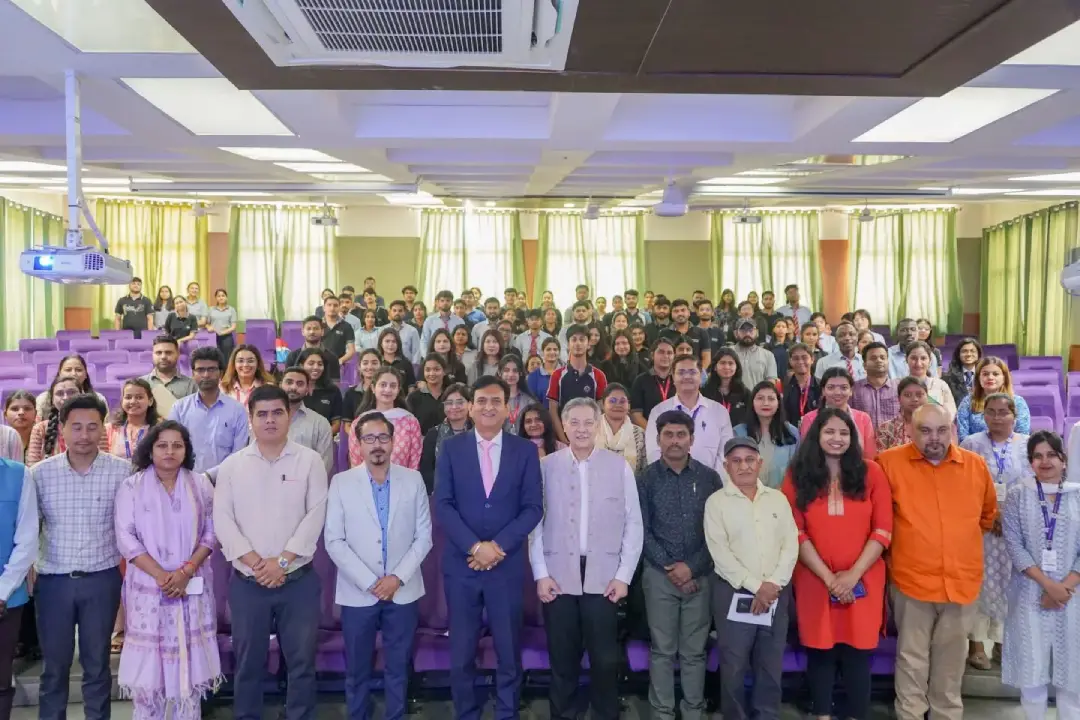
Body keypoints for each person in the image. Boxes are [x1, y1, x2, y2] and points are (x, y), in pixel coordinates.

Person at [213, 386, 328, 720]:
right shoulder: (232, 466)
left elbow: (316, 515)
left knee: (302, 662)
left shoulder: (309, 461)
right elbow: (223, 520)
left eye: (277, 412)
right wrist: (256, 563)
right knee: (248, 663)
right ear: (250, 419)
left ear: (289, 416)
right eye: (261, 414)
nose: (270, 420)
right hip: (248, 583)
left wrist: (282, 562)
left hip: (298, 582)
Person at [877, 403, 998, 720]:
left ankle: (946, 715)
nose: (934, 438)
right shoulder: (888, 464)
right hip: (910, 580)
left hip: (961, 581)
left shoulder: (975, 466)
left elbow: (987, 516)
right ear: (910, 430)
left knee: (952, 659)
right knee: (911, 657)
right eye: (925, 430)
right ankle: (911, 715)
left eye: (942, 430)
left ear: (953, 430)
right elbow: (877, 519)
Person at [434, 376, 544, 720]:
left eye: (496, 401)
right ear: (470, 407)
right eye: (481, 400)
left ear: (508, 409)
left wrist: (496, 547)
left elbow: (533, 508)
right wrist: (474, 546)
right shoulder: (451, 449)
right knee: (462, 651)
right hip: (461, 566)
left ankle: (507, 712)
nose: (488, 407)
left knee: (508, 650)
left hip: (505, 566)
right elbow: (443, 505)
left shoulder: (524, 451)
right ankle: (466, 712)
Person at [530, 398, 642, 720]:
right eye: (574, 422)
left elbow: (633, 523)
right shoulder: (546, 466)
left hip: (604, 576)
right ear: (564, 426)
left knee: (605, 660)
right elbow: (534, 525)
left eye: (588, 422)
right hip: (557, 574)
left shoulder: (618, 466)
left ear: (598, 425)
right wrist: (541, 573)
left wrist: (623, 575)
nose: (581, 429)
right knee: (562, 659)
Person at [781, 410, 893, 720]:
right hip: (814, 579)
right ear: (816, 435)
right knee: (821, 650)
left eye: (843, 433)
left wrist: (852, 575)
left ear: (852, 437)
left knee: (859, 652)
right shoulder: (797, 475)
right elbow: (794, 531)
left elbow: (883, 530)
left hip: (864, 578)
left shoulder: (872, 472)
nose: (837, 438)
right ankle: (822, 714)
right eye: (829, 432)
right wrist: (830, 579)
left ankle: (857, 714)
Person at [324, 412, 432, 720]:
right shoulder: (342, 483)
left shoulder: (413, 480)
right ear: (358, 444)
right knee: (357, 671)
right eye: (369, 438)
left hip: (403, 591)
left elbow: (424, 536)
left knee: (398, 669)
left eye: (383, 437)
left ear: (393, 441)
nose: (377, 445)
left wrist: (396, 578)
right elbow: (334, 541)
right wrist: (371, 582)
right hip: (358, 592)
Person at [114, 420, 221, 719]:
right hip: (149, 589)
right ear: (150, 451)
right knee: (150, 675)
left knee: (189, 668)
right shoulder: (132, 487)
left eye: (177, 445)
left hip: (192, 586)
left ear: (186, 450)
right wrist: (162, 575)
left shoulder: (200, 484)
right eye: (162, 445)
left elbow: (211, 531)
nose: (170, 451)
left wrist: (186, 571)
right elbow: (126, 538)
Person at [31, 394, 130, 720]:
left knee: (97, 665)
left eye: (92, 427)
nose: (84, 435)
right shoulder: (40, 474)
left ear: (103, 428)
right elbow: (29, 528)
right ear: (62, 428)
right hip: (53, 583)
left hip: (102, 581)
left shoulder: (123, 473)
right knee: (54, 667)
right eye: (76, 427)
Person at [704, 436, 799, 720]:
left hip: (776, 594)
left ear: (760, 463)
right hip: (733, 593)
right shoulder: (716, 503)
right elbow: (720, 554)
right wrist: (758, 587)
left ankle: (767, 715)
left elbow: (791, 545)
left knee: (770, 665)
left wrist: (773, 585)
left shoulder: (778, 499)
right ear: (726, 467)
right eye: (736, 461)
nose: (743, 466)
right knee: (733, 666)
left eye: (749, 460)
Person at [638, 410, 723, 720]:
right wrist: (671, 568)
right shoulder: (644, 479)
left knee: (694, 653)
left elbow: (717, 532)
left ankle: (693, 711)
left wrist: (692, 568)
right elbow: (640, 529)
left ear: (692, 439)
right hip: (659, 576)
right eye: (668, 435)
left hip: (701, 577)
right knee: (662, 650)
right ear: (658, 439)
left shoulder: (709, 478)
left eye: (681, 435)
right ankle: (662, 712)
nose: (675, 441)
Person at [1002, 431, 1080, 720]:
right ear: (1030, 461)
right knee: (1031, 672)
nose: (1045, 461)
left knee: (1073, 674)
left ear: (1064, 459)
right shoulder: (1017, 495)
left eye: (1051, 455)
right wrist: (1049, 585)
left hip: (1073, 596)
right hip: (1029, 593)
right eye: (1037, 456)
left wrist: (1064, 587)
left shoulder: (1078, 494)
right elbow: (1014, 545)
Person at [960, 392, 1029, 671]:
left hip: (1015, 528)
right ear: (983, 415)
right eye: (991, 412)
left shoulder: (1027, 445)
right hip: (980, 527)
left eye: (1004, 412)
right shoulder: (971, 444)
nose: (997, 418)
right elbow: (962, 486)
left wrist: (1007, 517)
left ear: (1014, 416)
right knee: (980, 582)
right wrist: (990, 515)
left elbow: (1031, 486)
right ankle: (976, 645)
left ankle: (1002, 643)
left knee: (1009, 583)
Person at [167, 347, 249, 481]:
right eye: (200, 370)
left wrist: (209, 476)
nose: (206, 375)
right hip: (185, 481)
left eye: (211, 369)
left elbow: (239, 454)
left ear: (221, 373)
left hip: (226, 481)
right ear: (193, 373)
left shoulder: (237, 410)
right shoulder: (179, 408)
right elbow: (171, 448)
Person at [645, 353, 734, 473]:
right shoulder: (659, 411)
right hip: (668, 481)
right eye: (681, 372)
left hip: (711, 482)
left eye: (692, 372)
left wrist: (713, 481)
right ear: (673, 377)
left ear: (701, 376)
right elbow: (653, 453)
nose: (687, 376)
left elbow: (726, 454)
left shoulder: (719, 412)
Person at [0, 431, 37, 720]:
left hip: (7, 597)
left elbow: (26, 539)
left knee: (1, 677)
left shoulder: (19, 474)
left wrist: (2, 591)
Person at [347, 366, 423, 470]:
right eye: (383, 385)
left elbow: (414, 461)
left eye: (393, 386)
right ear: (373, 388)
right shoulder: (360, 423)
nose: (387, 390)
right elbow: (356, 461)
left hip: (403, 479)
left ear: (398, 390)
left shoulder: (410, 422)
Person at [547, 325, 608, 444]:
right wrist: (563, 438)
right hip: (563, 440)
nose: (578, 343)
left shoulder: (598, 375)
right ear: (568, 344)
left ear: (588, 344)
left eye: (582, 339)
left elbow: (601, 411)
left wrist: (594, 437)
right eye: (574, 339)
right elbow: (553, 411)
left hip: (591, 439)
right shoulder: (557, 375)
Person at [27, 376, 108, 465]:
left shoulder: (95, 425)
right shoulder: (40, 429)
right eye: (59, 393)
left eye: (71, 392)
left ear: (82, 395)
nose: (65, 397)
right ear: (52, 400)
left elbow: (104, 461)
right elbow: (32, 467)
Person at [799, 368, 877, 461]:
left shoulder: (863, 418)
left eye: (843, 388)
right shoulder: (810, 418)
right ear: (823, 391)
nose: (837, 392)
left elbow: (870, 457)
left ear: (851, 391)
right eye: (831, 387)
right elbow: (808, 454)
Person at [734, 381, 800, 489]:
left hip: (782, 495)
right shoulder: (738, 433)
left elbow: (798, 470)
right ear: (752, 402)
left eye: (771, 399)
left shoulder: (792, 433)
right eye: (760, 398)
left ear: (778, 403)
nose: (765, 403)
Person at [957, 356, 1031, 441]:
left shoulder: (1018, 402)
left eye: (995, 374)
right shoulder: (968, 402)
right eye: (985, 374)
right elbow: (963, 437)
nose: (990, 378)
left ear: (1004, 378)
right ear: (978, 378)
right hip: (974, 448)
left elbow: (1022, 436)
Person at [280, 367, 335, 475]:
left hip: (306, 483)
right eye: (289, 382)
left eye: (300, 384)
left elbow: (324, 464)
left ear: (307, 389)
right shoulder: (265, 420)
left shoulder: (320, 423)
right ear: (280, 385)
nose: (293, 387)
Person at [419, 383, 472, 494]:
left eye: (460, 402)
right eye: (449, 403)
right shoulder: (433, 434)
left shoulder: (479, 433)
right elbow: (426, 470)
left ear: (470, 404)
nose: (454, 407)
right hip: (441, 493)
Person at [35, 353, 106, 417]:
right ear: (59, 373)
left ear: (86, 374)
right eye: (68, 370)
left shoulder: (98, 399)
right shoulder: (43, 399)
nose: (73, 374)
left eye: (79, 370)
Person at [596, 383, 647, 472]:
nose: (618, 405)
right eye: (612, 401)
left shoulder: (640, 434)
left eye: (622, 401)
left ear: (629, 406)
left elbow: (645, 470)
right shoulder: (590, 431)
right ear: (603, 405)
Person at [105, 378, 159, 461]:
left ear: (150, 401)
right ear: (122, 401)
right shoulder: (109, 429)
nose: (133, 401)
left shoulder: (159, 430)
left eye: (139, 397)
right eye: (128, 397)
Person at [143, 335, 197, 416]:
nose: (163, 357)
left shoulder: (192, 385)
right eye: (158, 353)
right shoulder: (141, 383)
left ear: (178, 354)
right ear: (152, 355)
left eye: (168, 353)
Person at [850, 342, 900, 430]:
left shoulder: (899, 388)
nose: (879, 360)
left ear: (888, 362)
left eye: (882, 358)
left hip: (895, 438)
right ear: (864, 365)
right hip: (863, 437)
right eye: (873, 358)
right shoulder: (853, 389)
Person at [630, 338, 675, 430]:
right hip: (648, 432)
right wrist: (654, 433)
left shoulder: (680, 380)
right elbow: (636, 415)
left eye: (669, 353)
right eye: (661, 352)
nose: (665, 356)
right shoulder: (640, 381)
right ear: (652, 355)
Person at [905, 341, 957, 420]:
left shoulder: (941, 385)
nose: (918, 363)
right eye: (913, 358)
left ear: (930, 361)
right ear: (906, 359)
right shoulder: (899, 386)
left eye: (923, 358)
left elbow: (950, 414)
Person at [876, 377, 929, 453]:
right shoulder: (886, 428)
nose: (914, 399)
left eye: (919, 395)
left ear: (927, 397)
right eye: (908, 395)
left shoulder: (938, 425)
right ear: (899, 399)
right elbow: (881, 458)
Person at [284, 316, 343, 384]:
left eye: (316, 328)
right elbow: (287, 383)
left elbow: (335, 385)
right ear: (302, 332)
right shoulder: (292, 356)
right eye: (308, 329)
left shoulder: (332, 358)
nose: (312, 332)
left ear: (322, 331)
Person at [298, 348, 343, 434]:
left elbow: (336, 423)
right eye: (311, 363)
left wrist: (321, 438)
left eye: (320, 364)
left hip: (324, 438)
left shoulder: (333, 390)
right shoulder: (294, 390)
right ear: (301, 365)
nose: (316, 367)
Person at [702, 348, 750, 428]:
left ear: (736, 367)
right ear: (715, 367)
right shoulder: (704, 392)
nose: (727, 367)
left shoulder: (745, 393)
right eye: (722, 363)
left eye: (731, 363)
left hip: (737, 434)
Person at [407, 353, 449, 435]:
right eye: (428, 370)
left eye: (436, 369)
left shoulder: (450, 395)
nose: (432, 373)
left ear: (444, 371)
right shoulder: (414, 398)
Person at [783, 343, 822, 428]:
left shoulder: (821, 386)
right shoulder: (784, 387)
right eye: (796, 358)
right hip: (790, 433)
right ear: (790, 361)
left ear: (812, 359)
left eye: (804, 358)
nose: (800, 362)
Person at [730, 318, 777, 386]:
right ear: (736, 333)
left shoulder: (768, 355)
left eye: (751, 330)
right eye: (743, 330)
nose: (747, 333)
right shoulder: (727, 353)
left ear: (757, 332)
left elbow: (771, 383)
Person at [944, 338, 983, 406]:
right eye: (964, 351)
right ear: (958, 355)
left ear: (978, 354)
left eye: (972, 351)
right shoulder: (947, 378)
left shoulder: (985, 375)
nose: (968, 354)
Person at [526, 337, 562, 407]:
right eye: (548, 349)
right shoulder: (533, 376)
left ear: (559, 352)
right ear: (542, 352)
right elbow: (532, 402)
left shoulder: (566, 372)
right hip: (541, 412)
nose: (552, 352)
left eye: (555, 349)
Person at [3, 391, 36, 463]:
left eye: (27, 408)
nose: (21, 412)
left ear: (36, 414)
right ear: (5, 415)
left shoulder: (44, 439)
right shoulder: (2, 439)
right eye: (15, 409)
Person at [207, 288, 238, 361]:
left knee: (227, 358)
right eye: (219, 296)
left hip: (226, 336)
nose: (221, 298)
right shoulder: (211, 309)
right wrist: (208, 327)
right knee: (214, 357)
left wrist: (222, 332)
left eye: (223, 296)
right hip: (213, 336)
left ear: (226, 297)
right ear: (216, 298)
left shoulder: (231, 309)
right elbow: (207, 323)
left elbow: (233, 326)